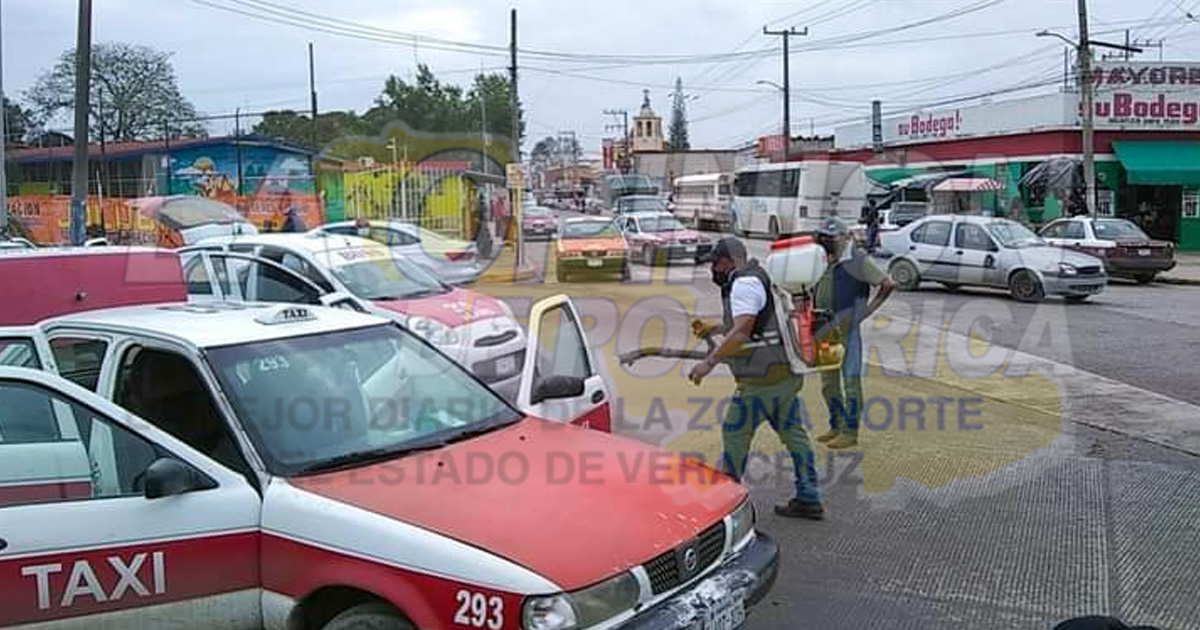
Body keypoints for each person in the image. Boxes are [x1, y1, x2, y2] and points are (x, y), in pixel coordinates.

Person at [688, 237, 825, 520]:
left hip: (761, 379)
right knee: (793, 434)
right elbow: (755, 322)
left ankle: (725, 504)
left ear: (729, 261)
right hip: (784, 372)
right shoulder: (759, 274)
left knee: (735, 433)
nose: (713, 269)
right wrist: (715, 329)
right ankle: (809, 495)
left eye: (716, 263)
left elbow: (743, 330)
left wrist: (708, 363)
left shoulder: (743, 283)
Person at [813, 217, 896, 450]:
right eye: (824, 237)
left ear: (845, 237)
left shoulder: (857, 259)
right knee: (828, 384)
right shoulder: (822, 259)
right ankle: (836, 424)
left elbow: (887, 284)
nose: (827, 241)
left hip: (846, 330)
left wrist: (865, 312)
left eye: (832, 237)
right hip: (825, 330)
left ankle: (850, 432)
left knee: (850, 381)